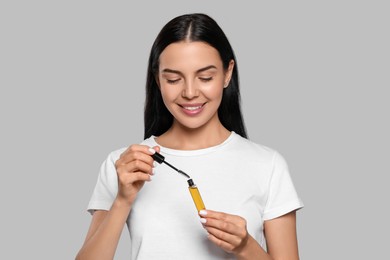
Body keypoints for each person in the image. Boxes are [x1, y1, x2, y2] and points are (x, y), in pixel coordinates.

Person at [76, 13, 303, 260]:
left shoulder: (267, 165)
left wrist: (246, 246)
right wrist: (122, 200)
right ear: (157, 80)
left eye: (205, 77)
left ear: (227, 74)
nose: (190, 92)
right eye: (173, 79)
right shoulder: (124, 165)